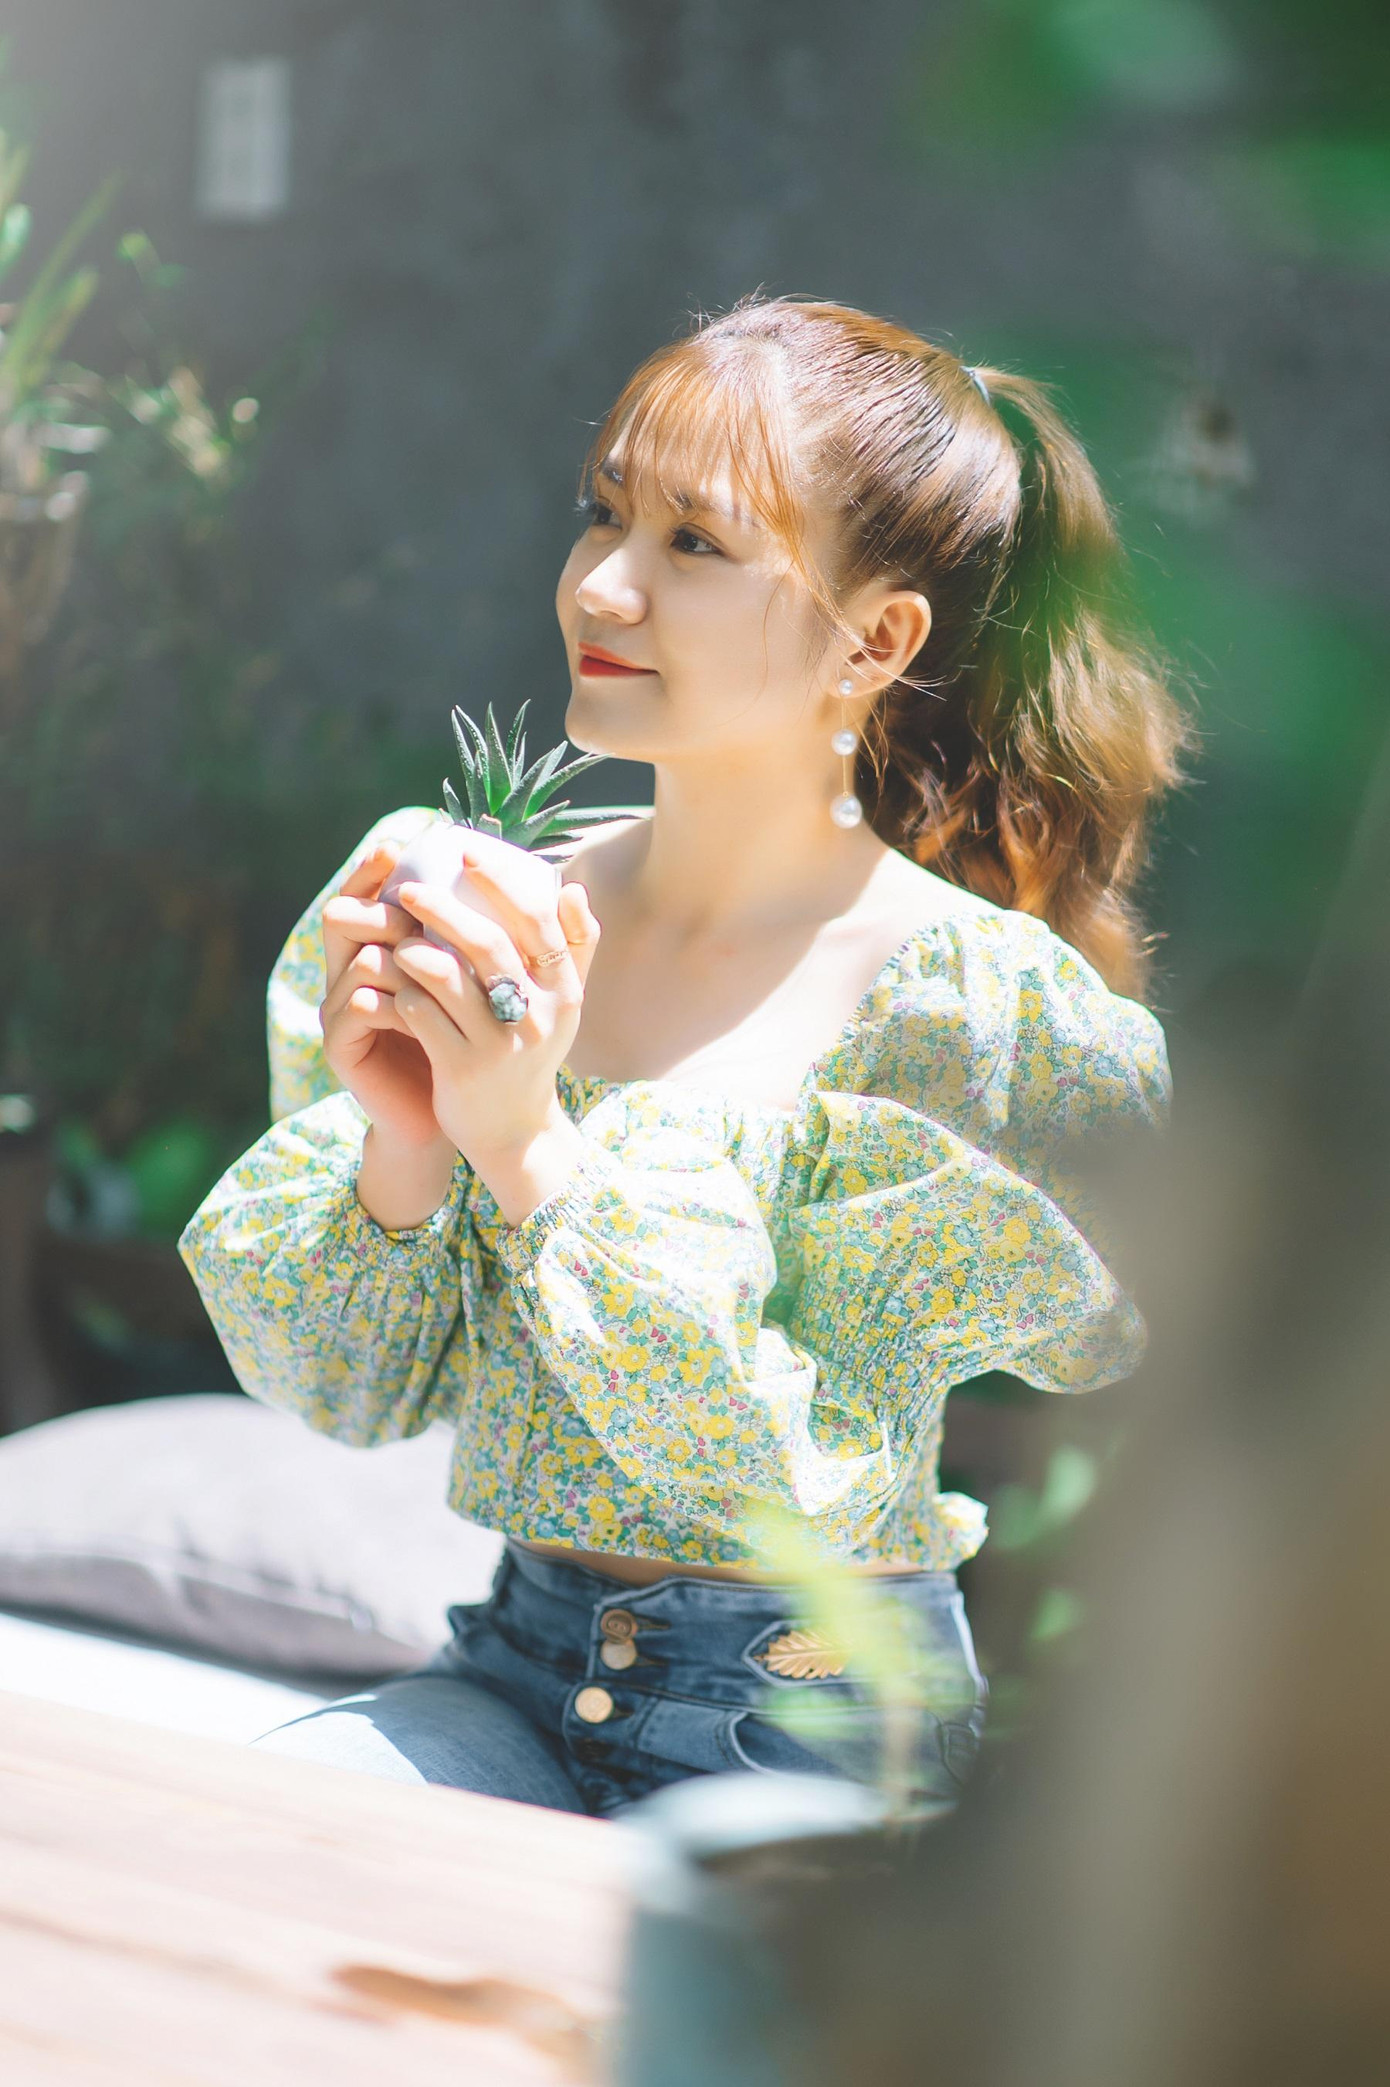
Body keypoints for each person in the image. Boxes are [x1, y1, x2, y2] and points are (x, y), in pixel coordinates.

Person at [180, 295, 1189, 1818]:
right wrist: (407, 1136)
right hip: (512, 1667)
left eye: (694, 543)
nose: (604, 583)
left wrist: (530, 1148)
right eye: (604, 513)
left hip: (810, 1721)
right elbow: (349, 1394)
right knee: (258, 1838)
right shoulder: (492, 918)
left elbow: (776, 1481)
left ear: (876, 640)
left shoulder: (959, 1007)